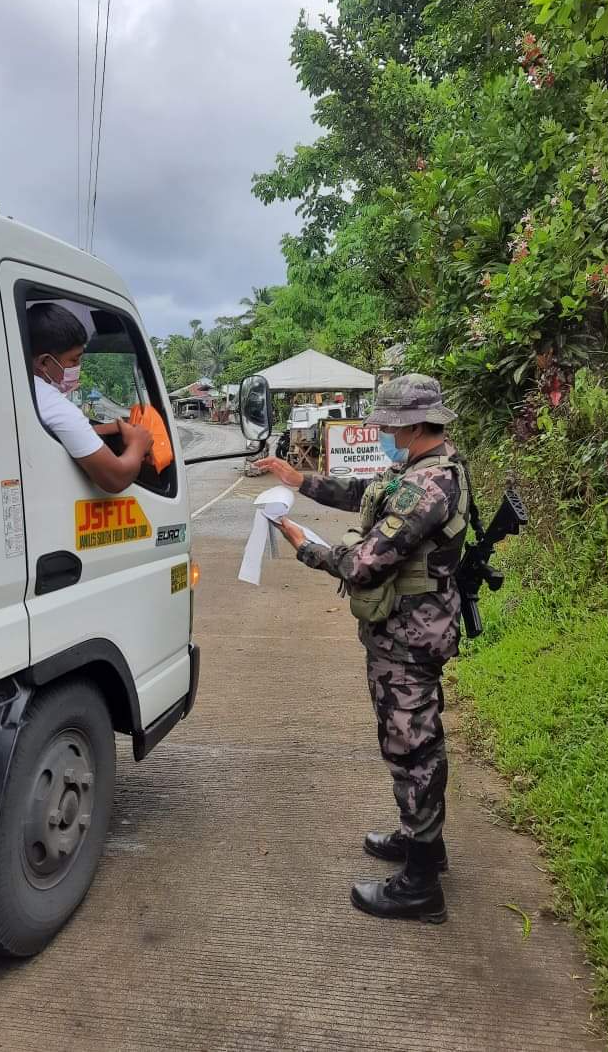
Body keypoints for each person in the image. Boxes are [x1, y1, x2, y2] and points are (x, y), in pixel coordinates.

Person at [255, 374, 469, 924]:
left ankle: (420, 887)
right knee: (418, 739)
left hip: (410, 638)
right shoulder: (419, 470)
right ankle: (424, 843)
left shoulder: (429, 486)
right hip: (407, 631)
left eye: (392, 423)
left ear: (417, 424)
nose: (386, 432)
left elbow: (361, 563)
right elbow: (362, 494)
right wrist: (298, 479)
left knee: (410, 747)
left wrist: (308, 547)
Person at [28, 303, 153, 494]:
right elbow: (116, 477)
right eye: (74, 359)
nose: (78, 367)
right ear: (44, 362)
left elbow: (61, 433)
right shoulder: (55, 405)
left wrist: (100, 429)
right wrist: (138, 443)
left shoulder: (27, 392)